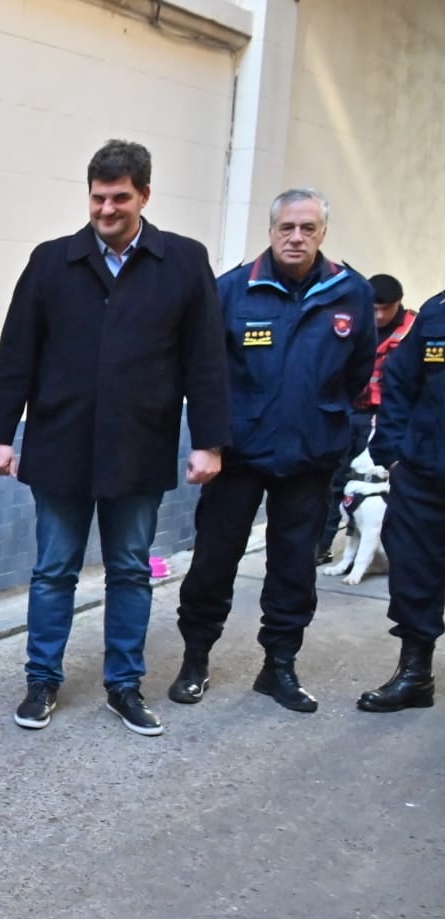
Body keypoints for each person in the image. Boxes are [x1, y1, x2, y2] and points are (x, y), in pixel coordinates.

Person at [0, 139, 230, 736]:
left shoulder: (183, 261)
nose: (107, 209)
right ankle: (42, 681)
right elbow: (17, 351)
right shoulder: (51, 262)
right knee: (54, 570)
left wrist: (209, 440)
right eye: (98, 198)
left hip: (139, 445)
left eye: (120, 198)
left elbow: (205, 358)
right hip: (60, 442)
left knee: (131, 570)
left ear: (145, 195)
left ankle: (124, 686)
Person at [171, 189, 376, 713]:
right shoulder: (233, 290)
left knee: (293, 568)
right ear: (271, 230)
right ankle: (196, 660)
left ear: (323, 233)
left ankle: (278, 666)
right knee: (213, 563)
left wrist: (321, 419)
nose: (297, 237)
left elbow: (358, 369)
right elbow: (205, 373)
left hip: (310, 459)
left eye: (308, 228)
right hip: (237, 457)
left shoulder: (350, 292)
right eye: (287, 227)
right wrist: (210, 441)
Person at [357, 287, 445, 712]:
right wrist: (392, 453)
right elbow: (400, 379)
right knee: (414, 573)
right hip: (424, 475)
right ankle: (415, 675)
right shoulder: (437, 311)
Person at [317, 273, 416, 561]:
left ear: (399, 303)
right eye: (375, 309)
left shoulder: (414, 330)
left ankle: (395, 553)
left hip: (387, 421)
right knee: (334, 481)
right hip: (348, 413)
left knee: (386, 488)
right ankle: (321, 546)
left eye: (387, 308)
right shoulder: (349, 322)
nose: (380, 315)